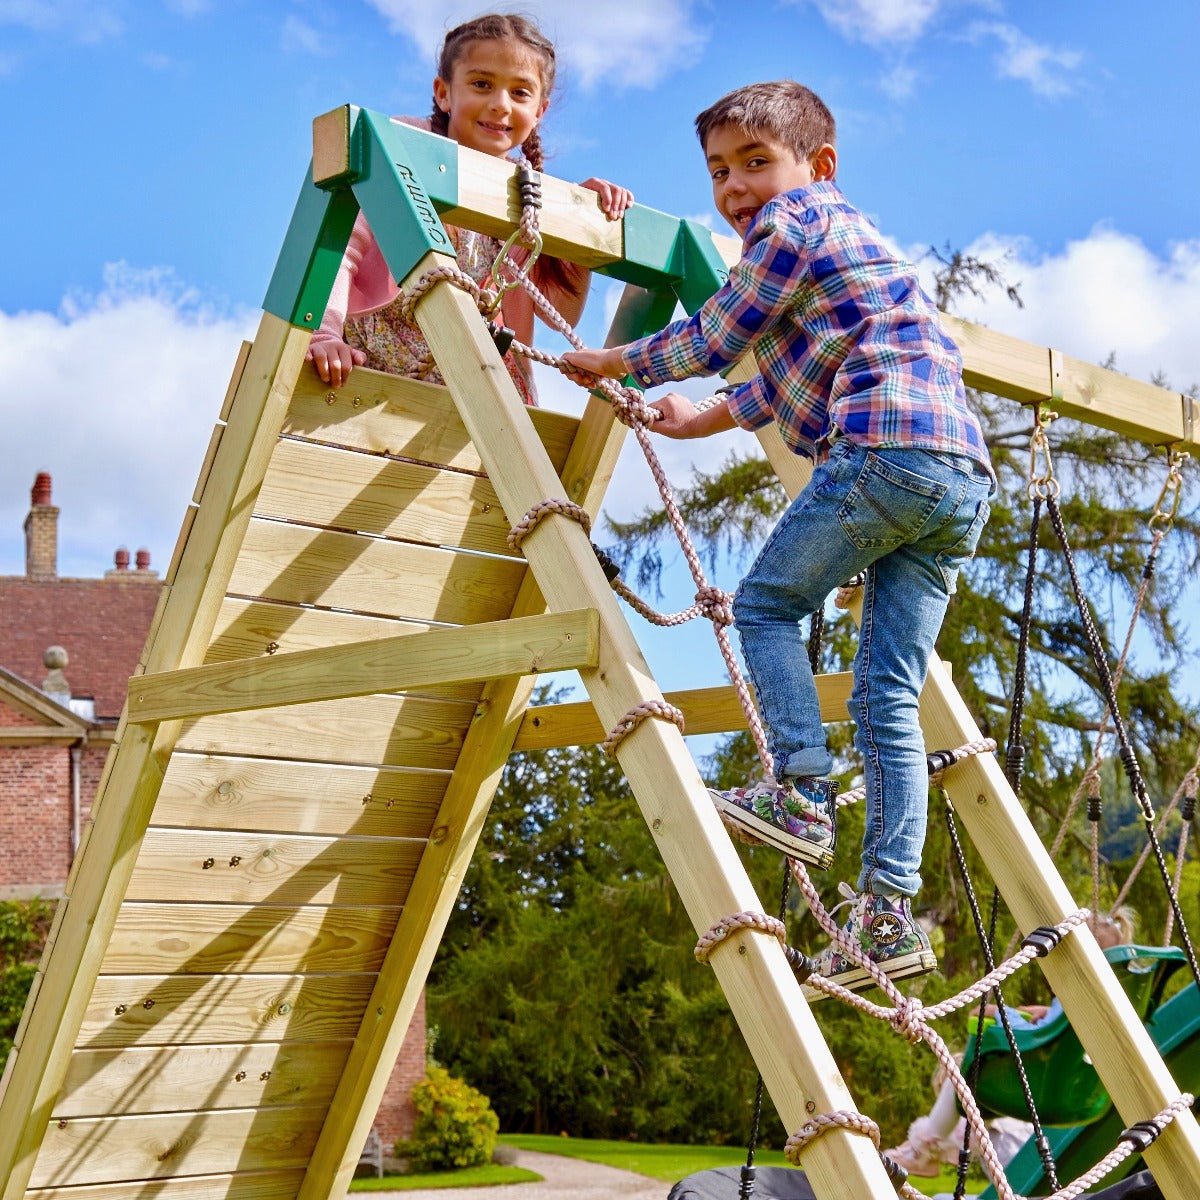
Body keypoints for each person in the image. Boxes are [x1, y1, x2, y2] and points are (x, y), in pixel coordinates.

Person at [563, 80, 995, 992]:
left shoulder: (793, 224)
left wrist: (615, 360)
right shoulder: (856, 256)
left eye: (756, 161)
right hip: (957, 481)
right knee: (886, 700)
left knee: (763, 606)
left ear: (816, 167)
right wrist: (700, 419)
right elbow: (779, 377)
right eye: (721, 171)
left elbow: (720, 333)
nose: (736, 188)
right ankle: (887, 917)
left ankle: (800, 792)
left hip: (883, 450)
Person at [308, 12, 633, 404]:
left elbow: (559, 312)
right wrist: (324, 332)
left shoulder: (530, 191)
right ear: (444, 93)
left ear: (539, 111)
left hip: (473, 375)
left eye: (520, 93)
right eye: (482, 84)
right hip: (385, 357)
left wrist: (577, 221)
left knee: (503, 387)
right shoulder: (403, 145)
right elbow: (344, 248)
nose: (500, 105)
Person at [885, 909, 1137, 1176]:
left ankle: (922, 1151)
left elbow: (1043, 1037)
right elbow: (1063, 1026)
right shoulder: (1102, 996)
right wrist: (1048, 1012)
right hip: (1084, 1091)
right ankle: (932, 1147)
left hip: (1045, 1085)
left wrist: (1005, 1015)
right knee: (967, 1089)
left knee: (964, 1074)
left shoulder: (1078, 989)